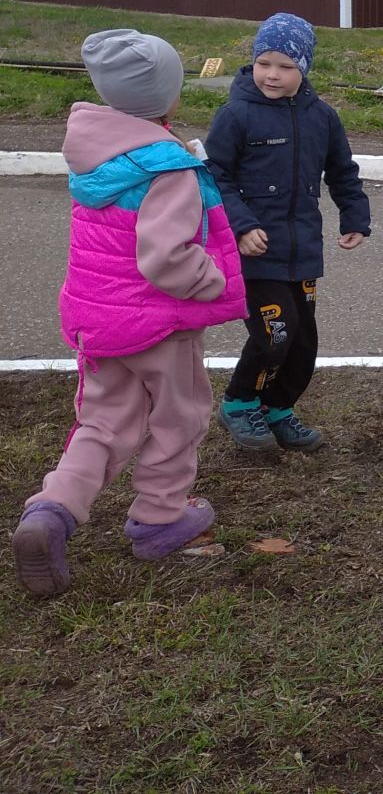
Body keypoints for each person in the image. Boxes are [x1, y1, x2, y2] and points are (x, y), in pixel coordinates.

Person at [10, 30, 249, 596]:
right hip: (159, 325)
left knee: (102, 422)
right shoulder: (166, 168)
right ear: (168, 99)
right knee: (179, 416)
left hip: (99, 322)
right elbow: (164, 256)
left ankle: (52, 510)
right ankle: (161, 517)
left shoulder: (96, 153)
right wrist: (208, 279)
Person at [204, 13, 371, 454]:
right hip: (256, 252)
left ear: (305, 68)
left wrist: (354, 216)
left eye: (285, 66)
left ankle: (277, 409)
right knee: (276, 332)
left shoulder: (323, 118)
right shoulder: (236, 114)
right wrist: (241, 226)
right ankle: (239, 403)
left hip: (303, 251)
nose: (272, 75)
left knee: (301, 340)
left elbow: (342, 172)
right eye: (264, 63)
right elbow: (214, 176)